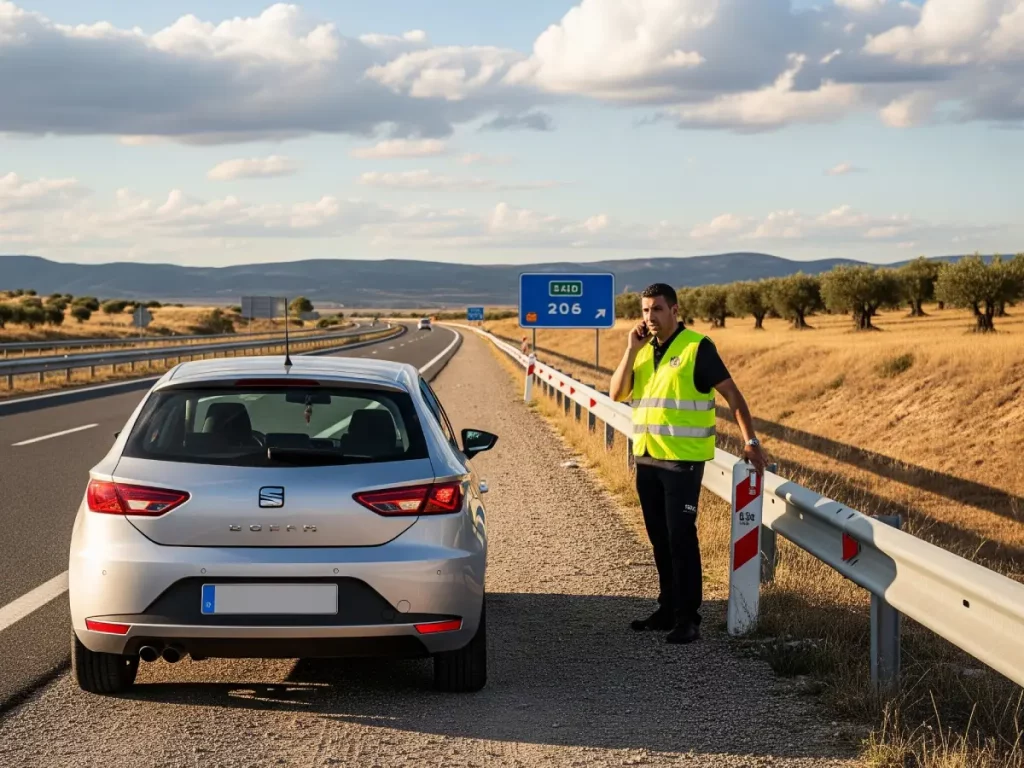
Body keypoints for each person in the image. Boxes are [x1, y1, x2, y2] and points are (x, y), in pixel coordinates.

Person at [610, 283, 768, 644]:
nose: (650, 317)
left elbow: (733, 394)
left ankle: (688, 618)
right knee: (659, 538)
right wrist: (629, 350)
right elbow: (616, 393)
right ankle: (666, 609)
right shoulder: (643, 351)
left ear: (675, 311)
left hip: (682, 462)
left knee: (681, 536)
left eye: (658, 310)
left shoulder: (697, 347)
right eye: (646, 310)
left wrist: (751, 441)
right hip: (648, 458)